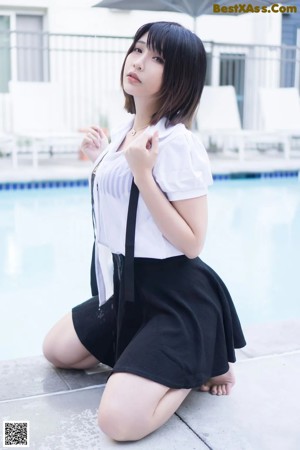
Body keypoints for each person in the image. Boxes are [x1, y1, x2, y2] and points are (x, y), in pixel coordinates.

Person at [43, 21, 246, 442]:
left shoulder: (178, 144)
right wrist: (102, 160)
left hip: (175, 295)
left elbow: (192, 242)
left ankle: (197, 364)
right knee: (58, 350)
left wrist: (143, 176)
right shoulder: (125, 132)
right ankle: (164, 357)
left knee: (118, 421)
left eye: (158, 59)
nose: (139, 62)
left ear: (180, 77)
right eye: (138, 50)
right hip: (127, 286)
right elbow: (124, 210)